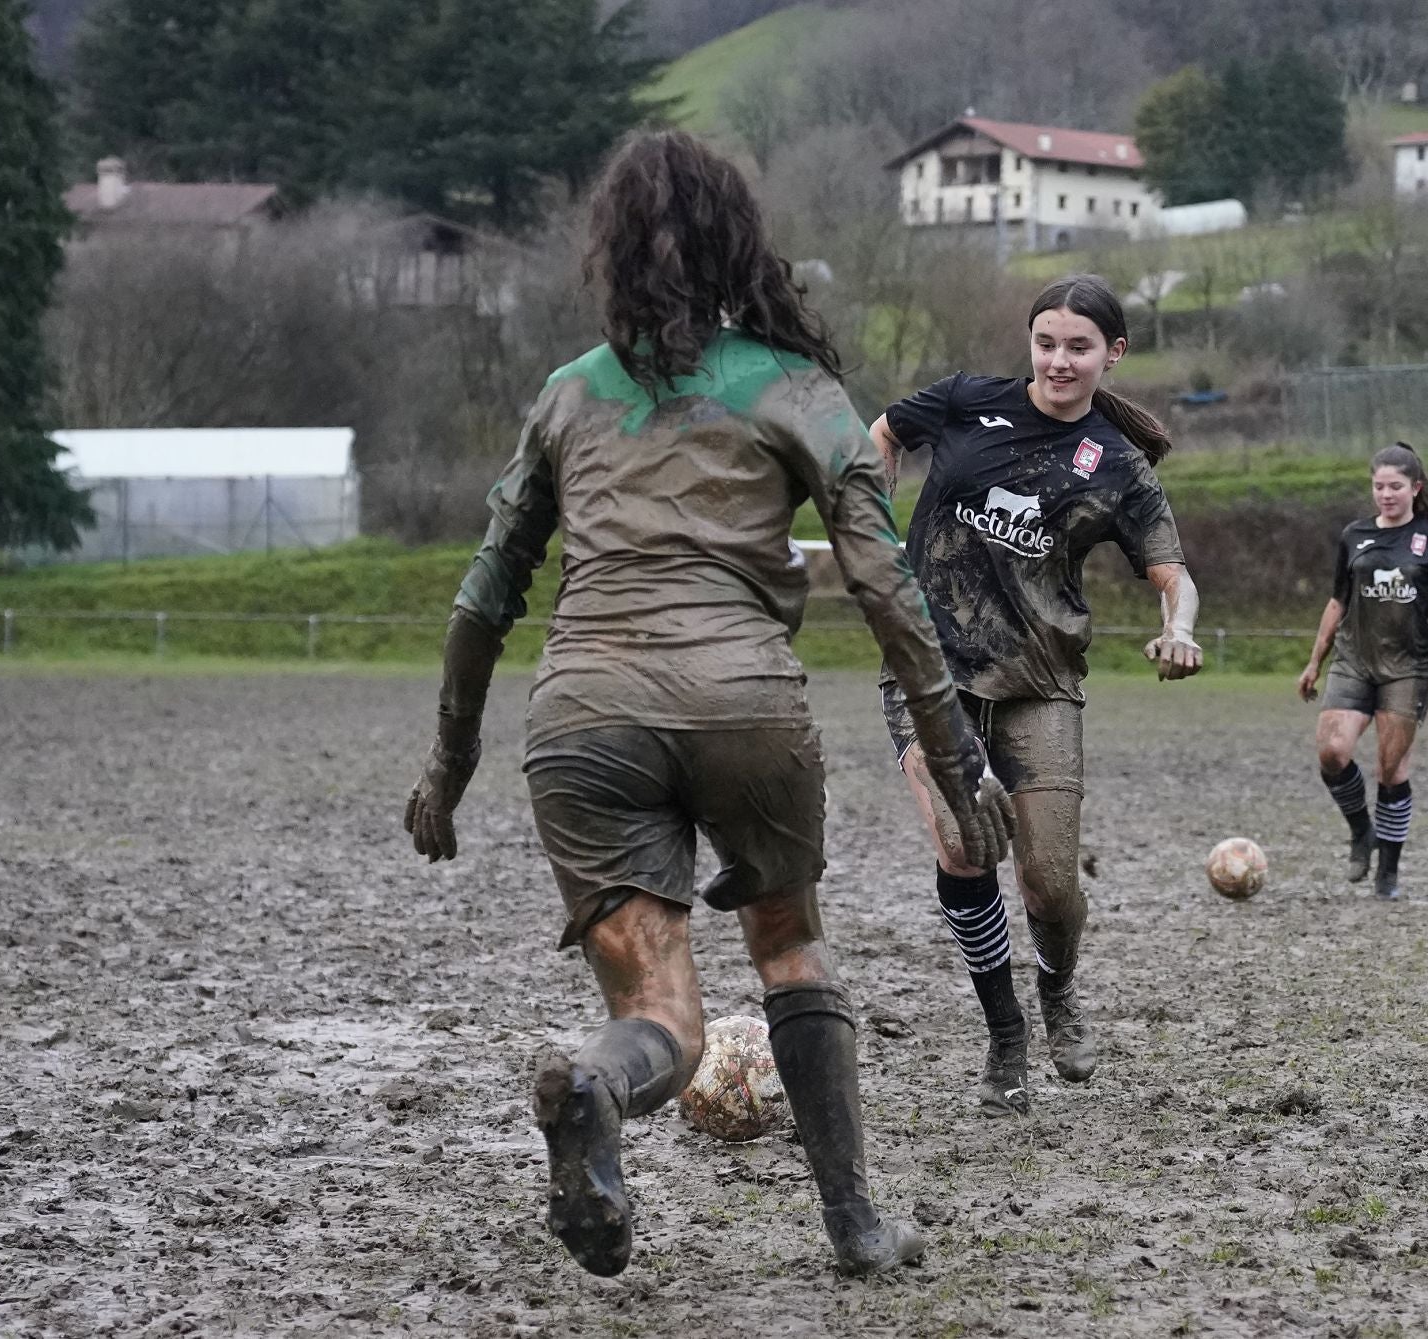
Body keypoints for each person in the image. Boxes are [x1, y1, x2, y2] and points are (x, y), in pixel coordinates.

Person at [400, 129, 1014, 1279]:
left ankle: (597, 1086)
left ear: (613, 252)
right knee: (790, 952)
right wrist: (958, 755)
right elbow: (888, 582)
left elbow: (485, 593)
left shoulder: (566, 394)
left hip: (582, 718)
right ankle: (856, 1227)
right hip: (743, 707)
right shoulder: (796, 387)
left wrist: (449, 761)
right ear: (741, 242)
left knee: (665, 1018)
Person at [867, 273, 1202, 1118]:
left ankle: (1056, 993)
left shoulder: (1118, 466)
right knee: (963, 846)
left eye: (1078, 347)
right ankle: (1005, 1030)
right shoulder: (964, 403)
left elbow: (1174, 574)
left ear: (1111, 355)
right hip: (928, 673)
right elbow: (880, 433)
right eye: (1046, 342)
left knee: (1050, 886)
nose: (1058, 360)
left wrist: (1180, 626)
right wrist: (868, 522)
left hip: (1039, 684)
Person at [1296, 443, 1428, 901]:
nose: (1385, 494)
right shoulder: (1355, 536)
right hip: (1354, 661)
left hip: (1406, 670)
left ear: (1415, 488)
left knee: (1391, 769)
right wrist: (1314, 661)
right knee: (1332, 751)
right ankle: (1361, 832)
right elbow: (1337, 603)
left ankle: (1387, 872)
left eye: (1395, 486)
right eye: (1378, 486)